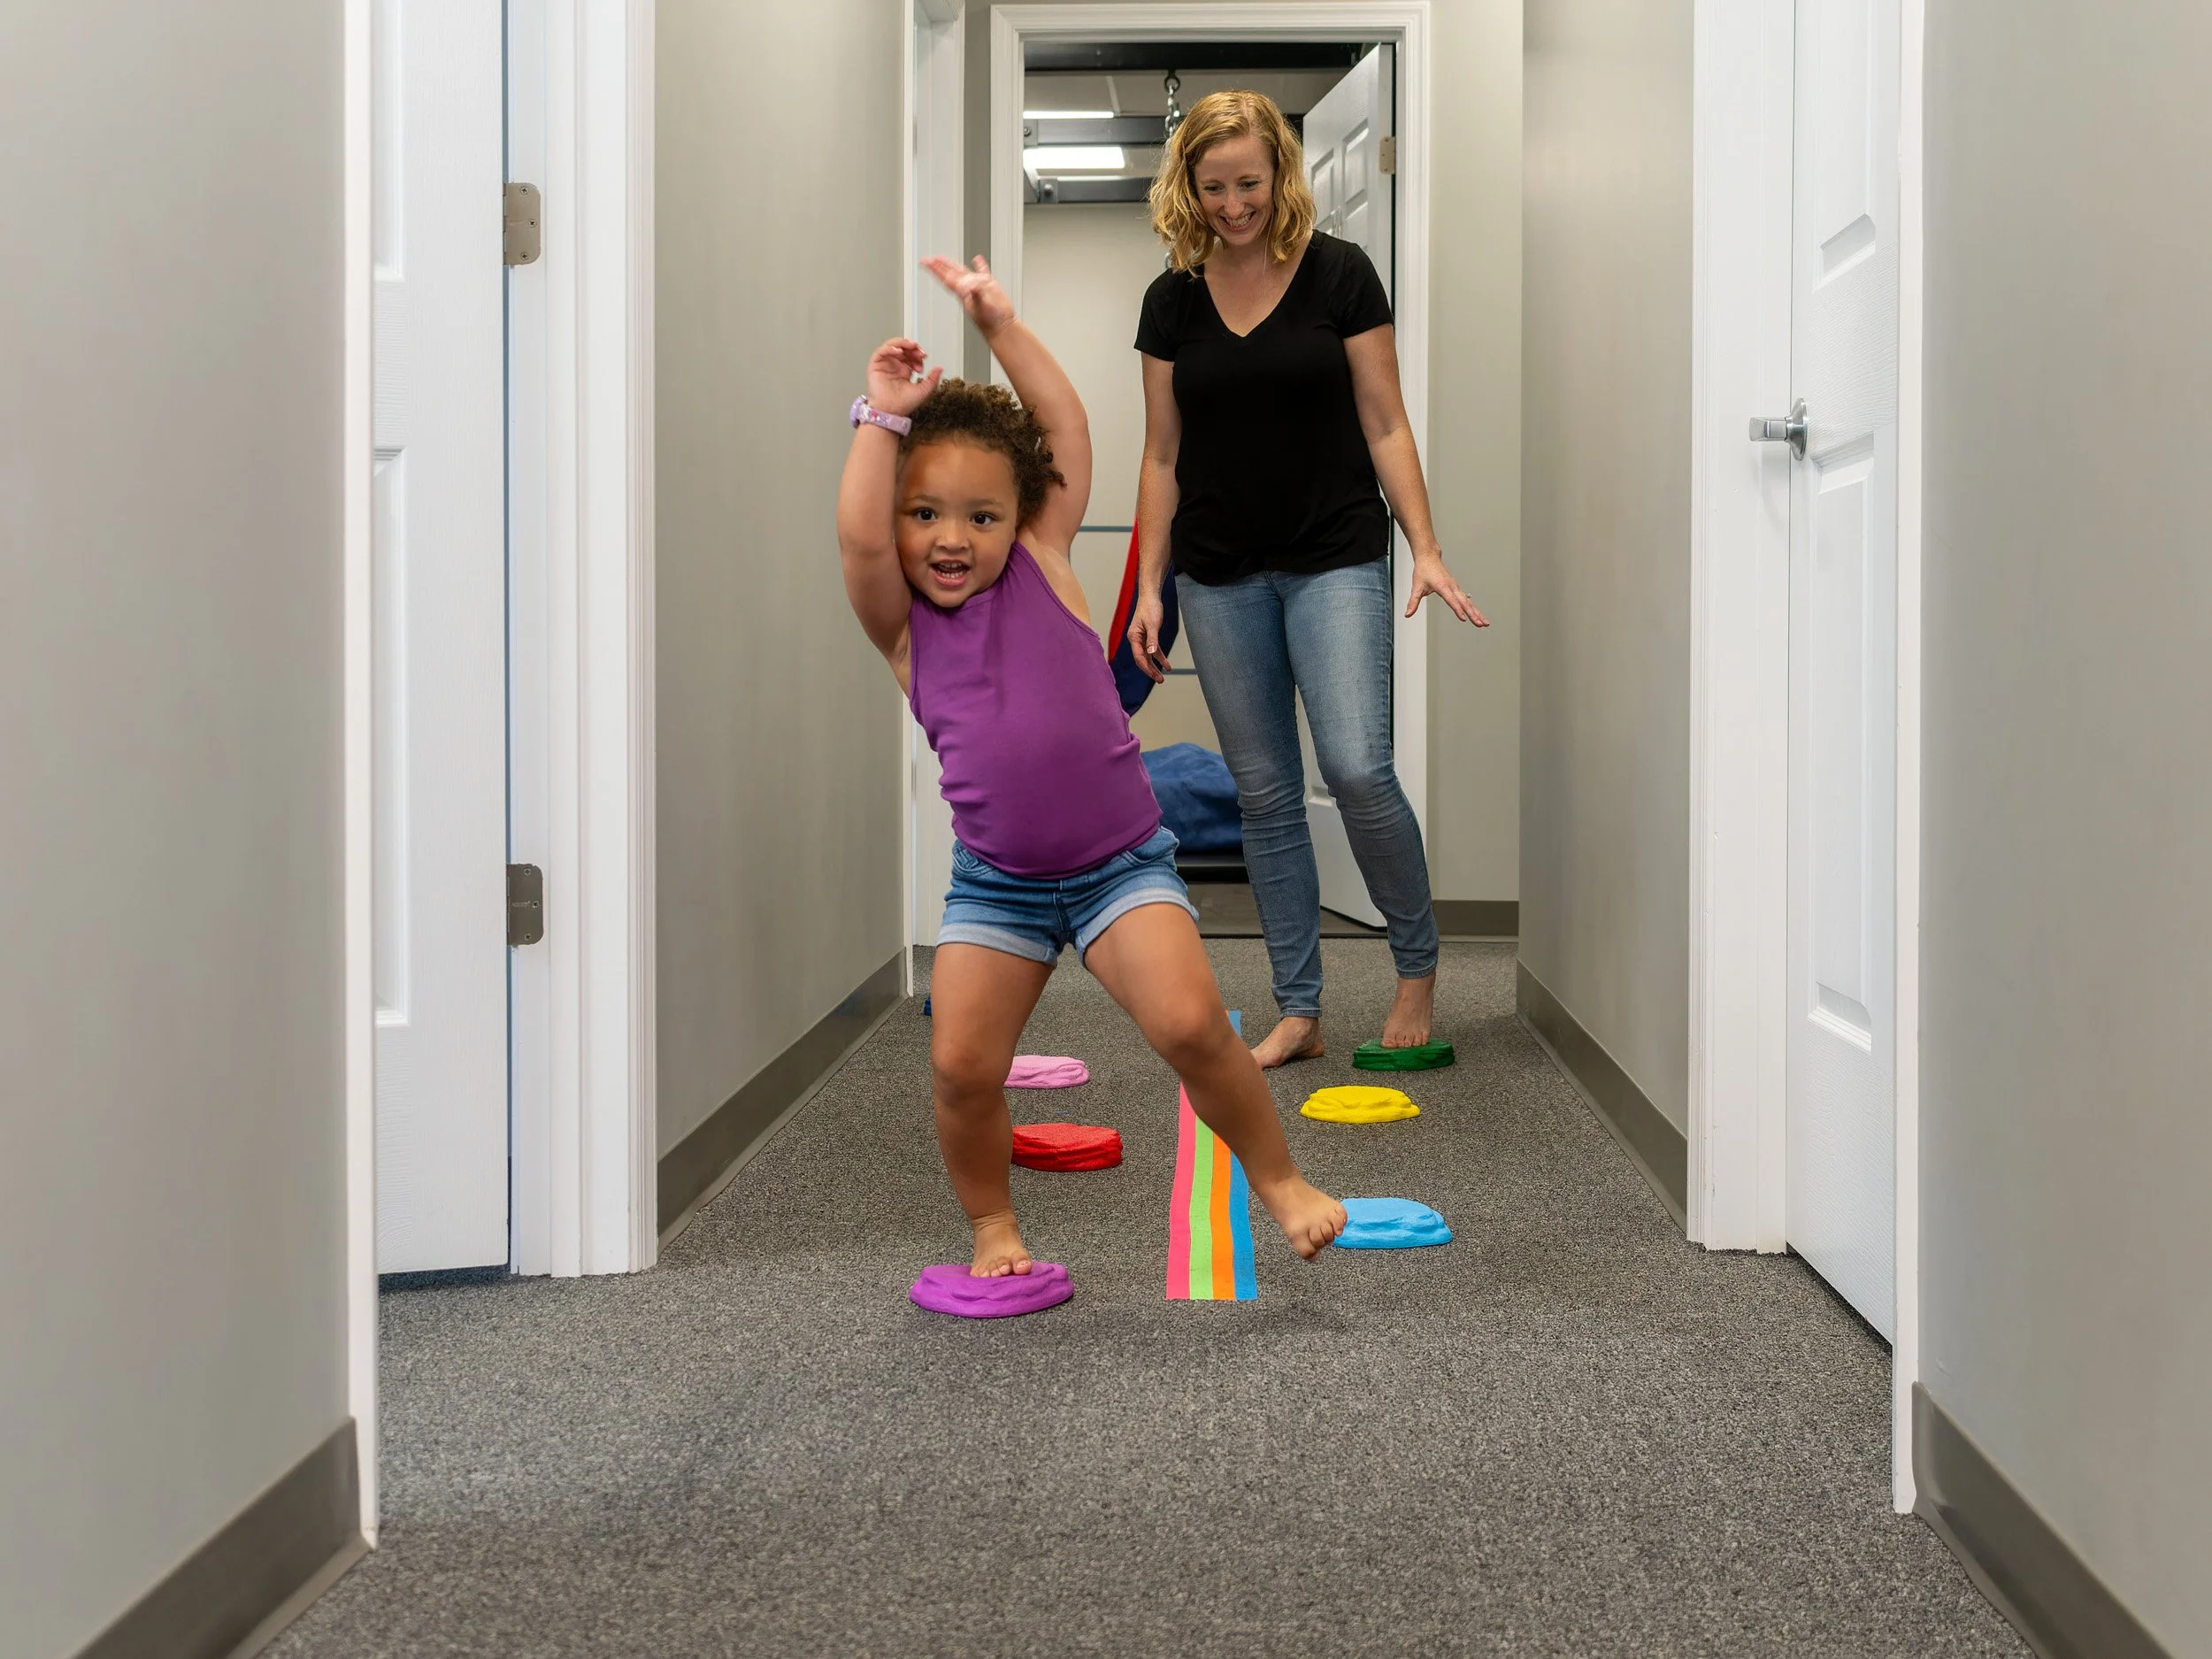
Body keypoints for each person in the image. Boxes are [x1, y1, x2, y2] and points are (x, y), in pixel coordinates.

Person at [836, 253, 1346, 1278]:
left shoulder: (1043, 557)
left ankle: (1280, 1177)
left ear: (1017, 516)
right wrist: (879, 420)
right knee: (961, 1067)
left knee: (1194, 1025)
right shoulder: (902, 628)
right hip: (998, 885)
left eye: (981, 517)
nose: (952, 539)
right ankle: (992, 1226)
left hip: (1121, 865)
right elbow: (855, 539)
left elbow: (1066, 429)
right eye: (925, 515)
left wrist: (1000, 325)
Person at [1127, 90, 1489, 1070]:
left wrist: (1424, 543)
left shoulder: (1339, 274)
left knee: (1358, 767)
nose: (1233, 205)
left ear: (1279, 174)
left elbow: (1385, 422)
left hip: (1331, 554)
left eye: (1249, 183)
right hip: (1216, 571)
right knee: (1264, 796)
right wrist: (1149, 586)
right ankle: (1300, 1007)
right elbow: (1161, 456)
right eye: (1213, 188)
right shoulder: (1171, 301)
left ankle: (1414, 966)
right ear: (1187, 187)